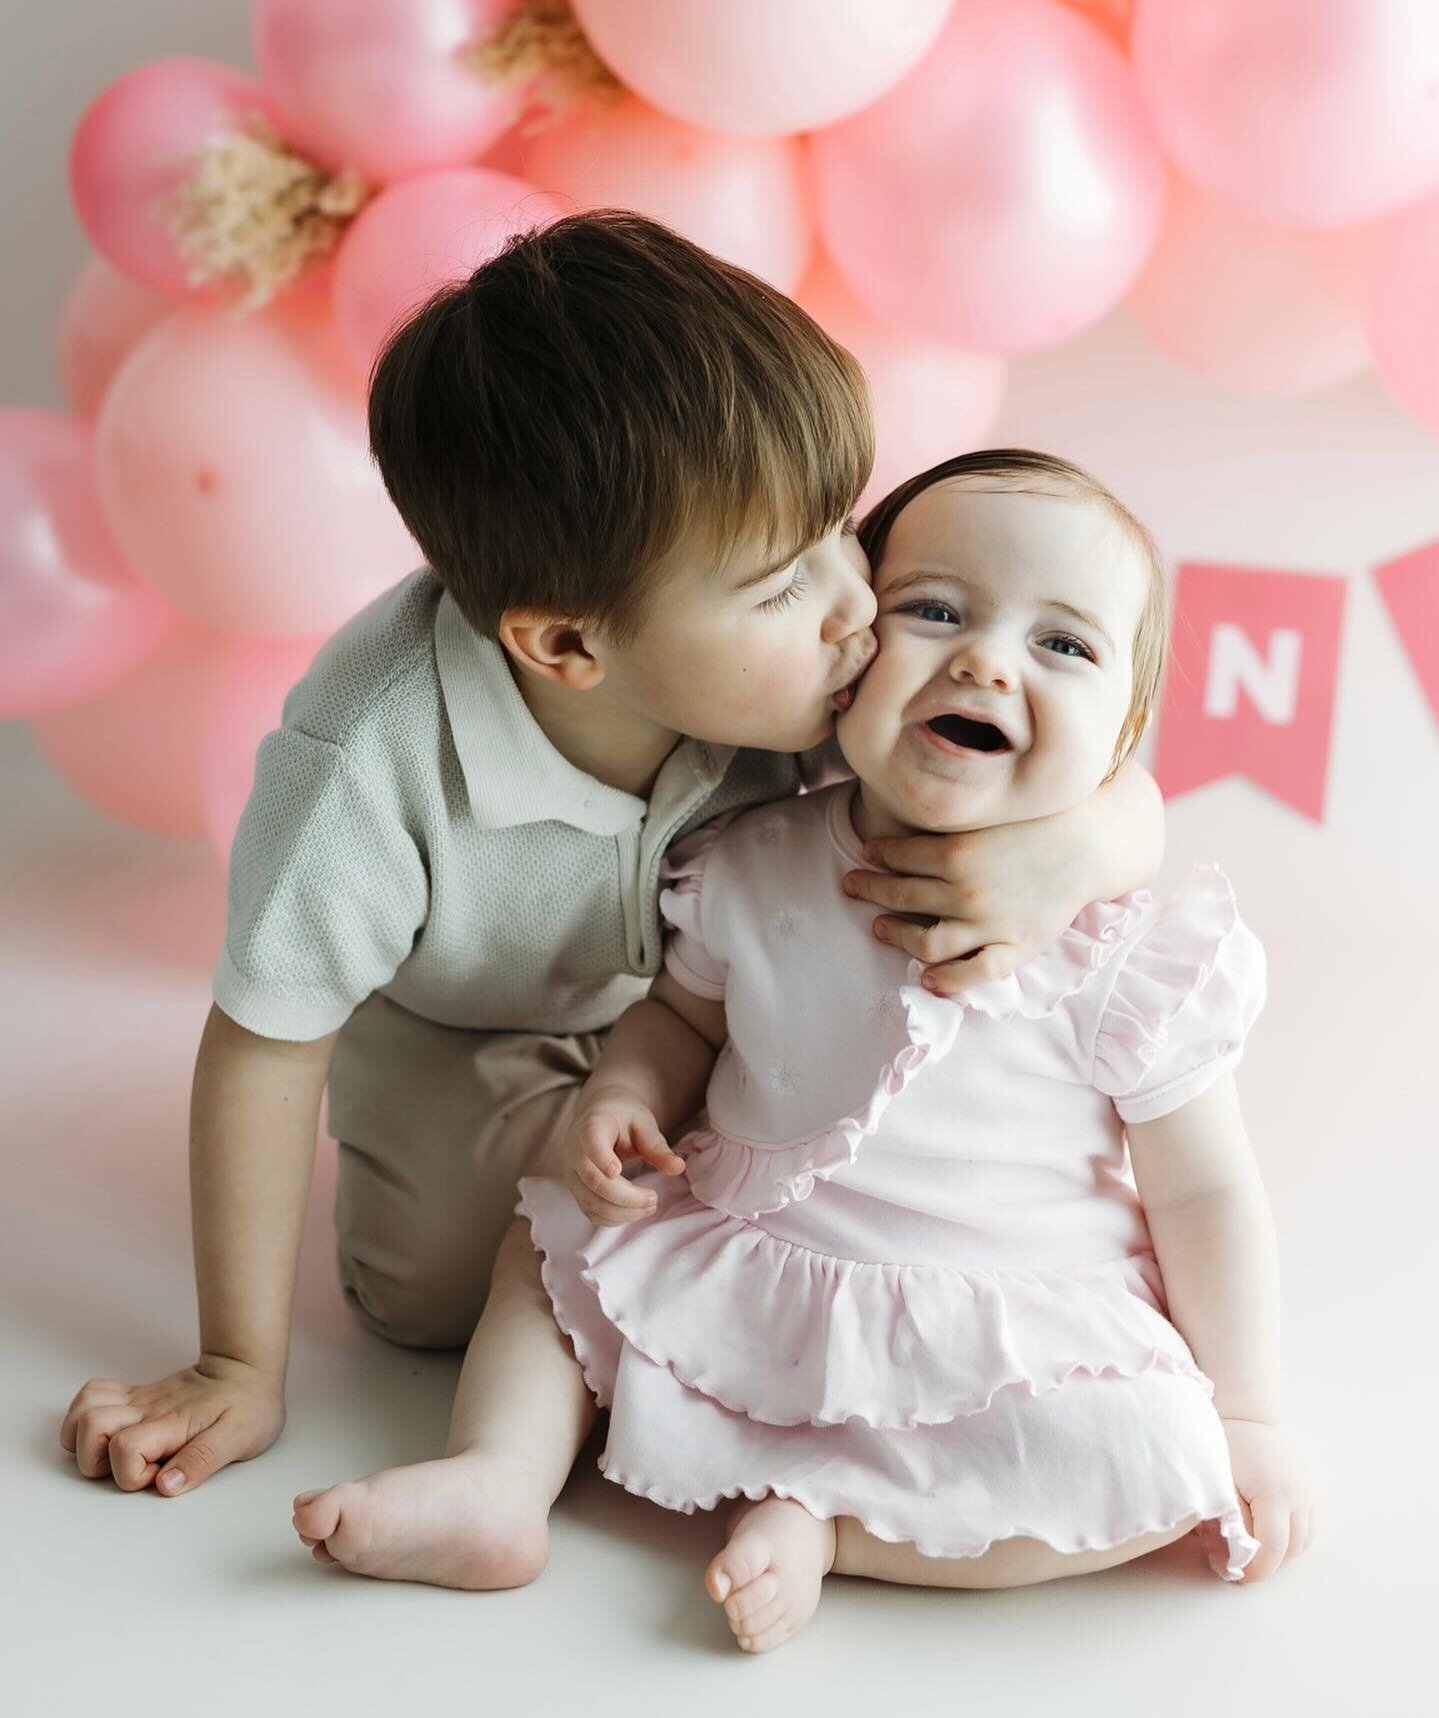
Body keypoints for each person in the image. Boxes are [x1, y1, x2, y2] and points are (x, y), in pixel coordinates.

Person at [59, 221, 1165, 1503]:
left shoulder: (821, 660)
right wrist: (234, 1362)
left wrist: (1080, 845)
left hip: (717, 1001)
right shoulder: (368, 756)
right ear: (566, 649)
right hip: (467, 1023)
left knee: (860, 1199)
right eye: (775, 586)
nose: (855, 605)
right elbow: (264, 1041)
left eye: (839, 531)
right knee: (436, 1291)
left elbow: (1069, 758)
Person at [291, 449, 1311, 1649]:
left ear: (1124, 733)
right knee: (553, 1251)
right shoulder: (754, 852)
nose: (984, 660)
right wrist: (623, 1087)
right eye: (932, 609)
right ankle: (497, 1479)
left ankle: (832, 1526)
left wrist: (1245, 1413)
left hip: (997, 1310)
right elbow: (683, 1014)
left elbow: (1200, 1185)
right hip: (753, 1250)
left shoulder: (1121, 946)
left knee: (1153, 1466)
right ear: (848, 658)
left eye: (1064, 646)